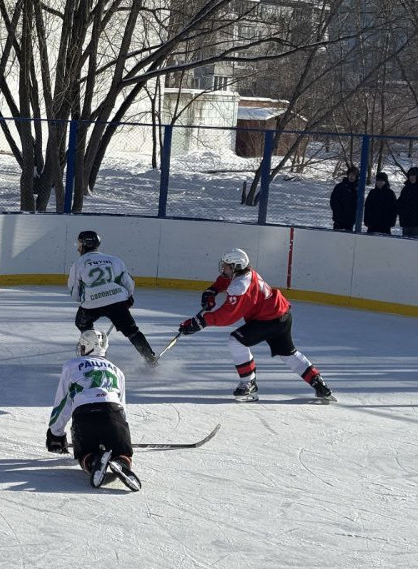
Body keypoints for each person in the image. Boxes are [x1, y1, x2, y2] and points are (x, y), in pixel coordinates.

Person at [177, 248, 334, 403]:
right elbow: (226, 280)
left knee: (236, 341)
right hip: (282, 314)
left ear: (236, 266)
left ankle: (249, 384)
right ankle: (318, 383)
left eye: (226, 265)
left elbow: (227, 316)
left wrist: (200, 322)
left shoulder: (240, 286)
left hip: (268, 320)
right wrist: (212, 290)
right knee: (288, 353)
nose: (223, 267)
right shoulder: (244, 273)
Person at [45, 329, 141, 491]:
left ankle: (94, 461)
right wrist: (122, 435)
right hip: (114, 413)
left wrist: (56, 433)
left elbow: (63, 402)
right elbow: (122, 407)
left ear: (87, 347)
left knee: (85, 454)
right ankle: (122, 462)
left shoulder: (72, 365)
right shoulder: (117, 370)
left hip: (85, 414)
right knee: (123, 452)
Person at [68, 230, 157, 365]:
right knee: (132, 330)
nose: (78, 247)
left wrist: (85, 300)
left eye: (79, 244)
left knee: (82, 323)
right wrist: (128, 297)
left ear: (86, 244)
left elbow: (74, 291)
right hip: (116, 301)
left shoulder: (79, 263)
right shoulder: (114, 260)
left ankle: (93, 349)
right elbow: (128, 283)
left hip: (91, 304)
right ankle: (150, 358)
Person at [329, 166, 359, 231]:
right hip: (339, 220)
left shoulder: (358, 189)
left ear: (356, 176)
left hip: (350, 221)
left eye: (354, 175)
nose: (351, 177)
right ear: (348, 175)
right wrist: (338, 214)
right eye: (350, 175)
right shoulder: (340, 187)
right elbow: (334, 202)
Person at [397, 167, 418, 237]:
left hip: (416, 224)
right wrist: (401, 213)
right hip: (406, 222)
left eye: (414, 176)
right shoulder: (405, 189)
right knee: (405, 242)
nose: (412, 178)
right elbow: (400, 203)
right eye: (410, 176)